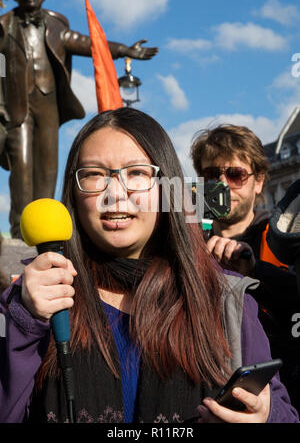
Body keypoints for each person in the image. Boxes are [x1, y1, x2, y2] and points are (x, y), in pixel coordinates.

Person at [0, 108, 298, 424]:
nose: (114, 194)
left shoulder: (228, 300)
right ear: (73, 192)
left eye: (137, 174)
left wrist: (265, 417)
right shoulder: (31, 301)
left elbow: (282, 412)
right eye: (94, 174)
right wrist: (25, 321)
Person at [0, 0, 158, 239]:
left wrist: (125, 51)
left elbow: (88, 44)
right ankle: (19, 230)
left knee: (48, 168)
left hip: (48, 105)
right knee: (22, 166)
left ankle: (41, 229)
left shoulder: (55, 26)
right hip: (18, 108)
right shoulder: (5, 26)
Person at [190, 123, 300, 412]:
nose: (222, 184)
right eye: (212, 174)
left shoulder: (285, 240)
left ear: (260, 180)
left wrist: (255, 271)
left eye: (235, 174)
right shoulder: (185, 244)